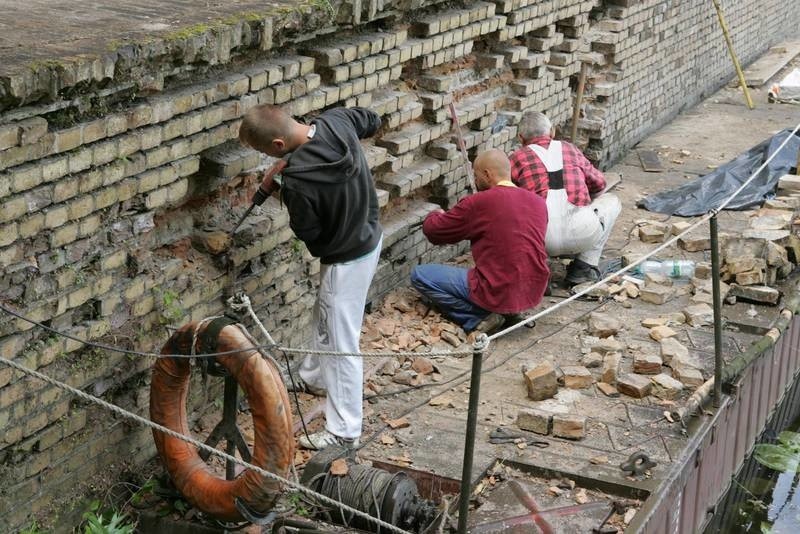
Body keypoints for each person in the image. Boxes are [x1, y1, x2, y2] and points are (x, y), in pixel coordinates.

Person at [238, 104, 383, 450]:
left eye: (264, 153)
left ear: (276, 146)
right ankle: (312, 377)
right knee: (327, 317)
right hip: (370, 236)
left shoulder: (298, 183)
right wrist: (293, 166)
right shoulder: (336, 121)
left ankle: (343, 431)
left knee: (340, 345)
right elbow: (370, 120)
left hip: (344, 260)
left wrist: (285, 183)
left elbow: (312, 237)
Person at [410, 149, 549, 334]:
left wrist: (436, 214)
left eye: (476, 176)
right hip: (533, 289)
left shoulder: (479, 202)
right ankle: (509, 312)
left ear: (487, 174)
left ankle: (478, 316)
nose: (475, 181)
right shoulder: (538, 202)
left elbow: (434, 231)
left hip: (497, 289)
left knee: (420, 275)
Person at [509, 111, 621, 285]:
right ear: (552, 132)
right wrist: (583, 198)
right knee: (612, 201)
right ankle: (584, 266)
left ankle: (537, 272)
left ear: (520, 137)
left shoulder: (516, 158)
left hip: (540, 239)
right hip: (584, 233)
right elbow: (599, 184)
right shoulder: (569, 149)